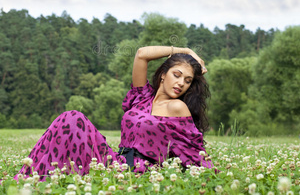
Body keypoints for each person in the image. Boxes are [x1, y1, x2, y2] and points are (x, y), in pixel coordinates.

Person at [15, 46, 214, 181]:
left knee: (74, 118)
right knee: (71, 118)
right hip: (115, 161)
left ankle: (33, 178)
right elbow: (141, 54)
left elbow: (194, 152)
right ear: (163, 74)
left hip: (135, 172)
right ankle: (29, 176)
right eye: (176, 75)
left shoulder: (177, 108)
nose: (180, 83)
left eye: (187, 80)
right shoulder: (142, 97)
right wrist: (185, 50)